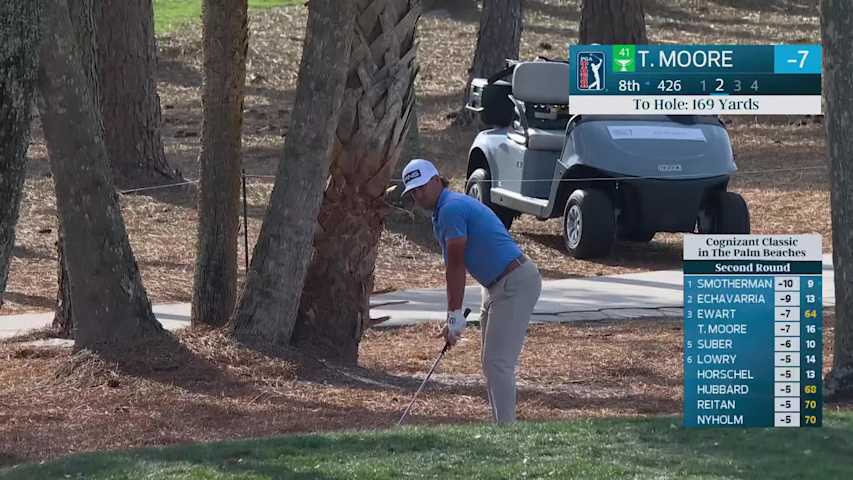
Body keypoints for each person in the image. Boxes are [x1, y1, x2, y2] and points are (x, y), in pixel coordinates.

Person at [400, 158, 542, 424]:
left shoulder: (451, 209)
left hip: (515, 282)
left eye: (421, 187)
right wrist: (453, 316)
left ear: (436, 180)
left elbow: (455, 264)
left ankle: (507, 432)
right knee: (491, 363)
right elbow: (455, 265)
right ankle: (502, 424)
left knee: (497, 362)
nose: (418, 195)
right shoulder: (445, 211)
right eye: (413, 192)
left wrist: (453, 315)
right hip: (497, 285)